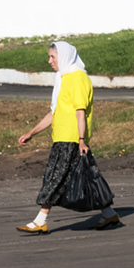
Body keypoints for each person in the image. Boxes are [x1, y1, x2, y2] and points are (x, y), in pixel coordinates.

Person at [15, 41, 120, 233]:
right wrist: (31, 132)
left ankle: (40, 220)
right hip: (63, 138)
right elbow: (54, 113)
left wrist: (81, 140)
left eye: (52, 57)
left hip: (70, 140)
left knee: (54, 177)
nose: (49, 61)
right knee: (86, 177)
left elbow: (80, 111)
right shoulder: (63, 78)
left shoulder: (77, 78)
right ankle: (109, 213)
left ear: (63, 56)